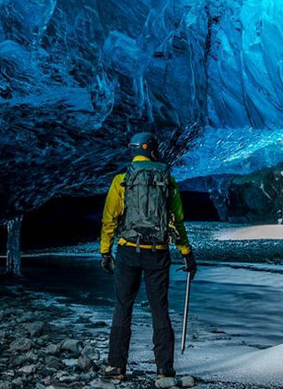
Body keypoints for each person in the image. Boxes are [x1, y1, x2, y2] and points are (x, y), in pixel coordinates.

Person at [99, 132, 197, 381]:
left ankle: (116, 368)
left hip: (128, 251)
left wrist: (105, 252)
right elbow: (176, 221)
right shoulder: (168, 179)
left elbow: (109, 219)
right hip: (158, 253)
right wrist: (186, 253)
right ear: (151, 149)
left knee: (123, 308)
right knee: (159, 310)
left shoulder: (122, 179)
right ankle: (164, 369)